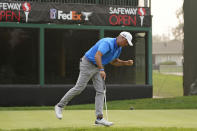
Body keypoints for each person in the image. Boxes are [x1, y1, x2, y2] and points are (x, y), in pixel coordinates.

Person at [55, 31, 134, 126]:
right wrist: (101, 69)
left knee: (100, 91)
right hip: (87, 63)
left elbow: (114, 62)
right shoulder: (107, 43)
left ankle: (99, 119)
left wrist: (125, 63)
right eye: (126, 42)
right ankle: (60, 106)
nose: (126, 44)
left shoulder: (119, 49)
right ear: (121, 38)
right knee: (79, 88)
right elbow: (97, 56)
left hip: (97, 67)